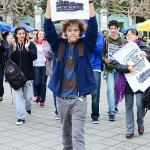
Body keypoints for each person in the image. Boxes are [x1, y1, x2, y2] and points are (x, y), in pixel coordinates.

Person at [44, 0, 97, 149]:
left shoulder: (86, 45)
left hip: (79, 99)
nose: (73, 32)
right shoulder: (58, 44)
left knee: (77, 136)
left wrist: (90, 4)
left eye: (75, 30)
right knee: (66, 135)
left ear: (80, 31)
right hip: (61, 98)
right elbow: (47, 28)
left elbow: (93, 27)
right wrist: (49, 3)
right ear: (65, 32)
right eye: (70, 30)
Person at [111, 28, 150, 139]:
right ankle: (130, 129)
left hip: (140, 82)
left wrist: (146, 55)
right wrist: (127, 67)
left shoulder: (144, 47)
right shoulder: (122, 50)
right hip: (127, 82)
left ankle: (140, 122)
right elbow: (116, 65)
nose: (129, 36)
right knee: (128, 106)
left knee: (140, 104)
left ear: (137, 36)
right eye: (127, 35)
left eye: (131, 34)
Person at [10, 27, 37, 125]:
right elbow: (10, 60)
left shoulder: (31, 44)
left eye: (23, 33)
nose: (22, 35)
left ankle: (28, 108)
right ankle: (21, 117)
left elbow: (34, 56)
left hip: (28, 75)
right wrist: (13, 50)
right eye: (19, 33)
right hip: (16, 76)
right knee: (18, 97)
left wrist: (27, 49)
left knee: (28, 98)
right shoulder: (13, 45)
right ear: (16, 35)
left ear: (26, 34)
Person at [102, 20, 126, 121]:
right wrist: (104, 60)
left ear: (117, 29)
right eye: (111, 28)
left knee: (117, 89)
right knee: (110, 90)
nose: (113, 30)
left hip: (119, 69)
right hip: (109, 69)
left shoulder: (123, 41)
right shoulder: (106, 40)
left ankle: (115, 105)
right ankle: (111, 112)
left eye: (114, 28)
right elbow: (102, 54)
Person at [90, 32, 104, 124]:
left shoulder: (99, 35)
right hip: (83, 67)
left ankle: (95, 115)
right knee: (80, 93)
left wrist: (90, 40)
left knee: (95, 93)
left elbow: (99, 50)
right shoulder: (80, 34)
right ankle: (79, 113)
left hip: (95, 67)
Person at [33, 29, 48, 107]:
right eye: (40, 34)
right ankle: (38, 94)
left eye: (42, 34)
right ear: (37, 35)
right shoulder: (34, 43)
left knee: (43, 83)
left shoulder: (46, 43)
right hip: (36, 65)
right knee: (37, 82)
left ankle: (42, 100)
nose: (41, 35)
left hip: (45, 65)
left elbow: (49, 53)